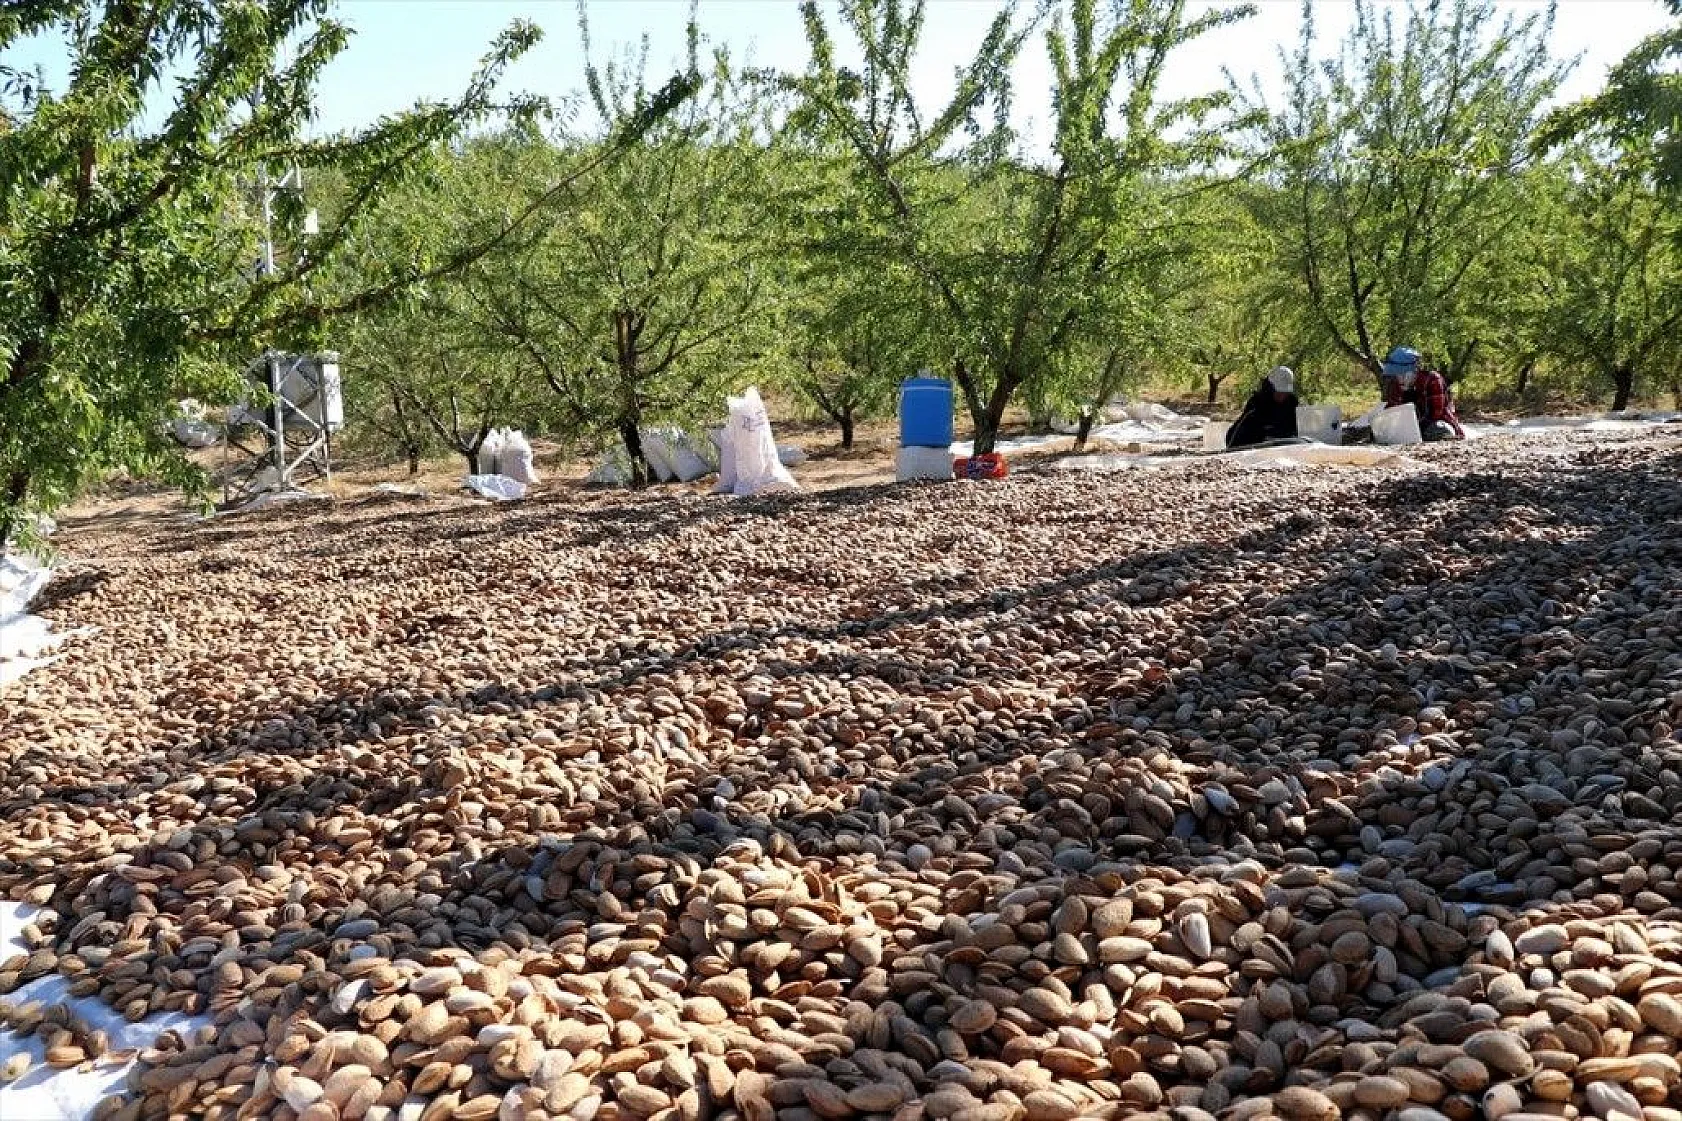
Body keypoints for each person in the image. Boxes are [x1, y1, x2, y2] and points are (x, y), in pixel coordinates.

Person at [1380, 346, 1464, 440]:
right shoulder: (1397, 385)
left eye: (1402, 374)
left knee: (1438, 429)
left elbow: (1436, 414)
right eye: (1396, 375)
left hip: (1437, 423)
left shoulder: (1433, 379)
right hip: (1408, 428)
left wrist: (1412, 427)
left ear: (1414, 371)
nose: (1399, 379)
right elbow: (1392, 409)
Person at [1226, 366, 1299, 449]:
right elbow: (1233, 439)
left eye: (1285, 393)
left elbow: (1296, 432)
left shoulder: (1292, 404)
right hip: (1254, 450)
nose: (1282, 396)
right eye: (1279, 392)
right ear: (1270, 388)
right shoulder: (1256, 404)